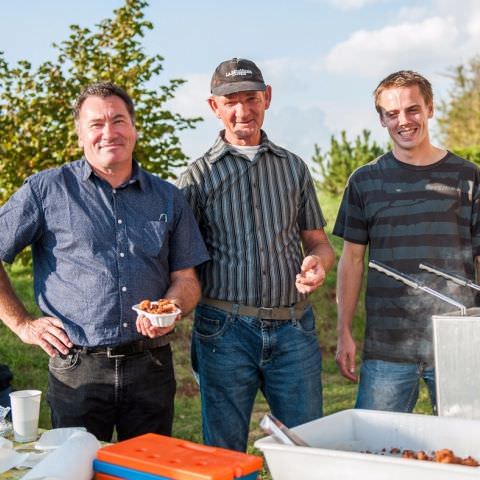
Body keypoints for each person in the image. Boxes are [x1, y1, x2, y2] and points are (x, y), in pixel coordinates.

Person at [0, 82, 209, 441]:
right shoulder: (45, 190)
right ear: (80, 135)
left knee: (148, 472)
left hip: (151, 366)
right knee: (77, 469)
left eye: (118, 120)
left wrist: (172, 306)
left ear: (134, 128)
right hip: (77, 367)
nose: (108, 132)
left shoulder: (169, 198)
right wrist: (22, 325)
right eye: (96, 124)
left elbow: (187, 279)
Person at [177, 58, 335, 452]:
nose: (241, 110)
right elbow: (182, 265)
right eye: (230, 100)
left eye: (250, 98)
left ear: (267, 99)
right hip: (224, 333)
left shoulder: (294, 168)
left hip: (294, 329)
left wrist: (318, 264)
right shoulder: (196, 178)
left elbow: (318, 243)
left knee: (306, 448)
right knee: (225, 453)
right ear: (214, 106)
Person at [334, 70, 480, 413]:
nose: (404, 120)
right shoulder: (364, 181)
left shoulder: (468, 176)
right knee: (376, 450)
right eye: (392, 113)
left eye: (412, 109)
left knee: (469, 451)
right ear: (382, 119)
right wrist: (343, 332)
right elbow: (351, 260)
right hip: (387, 348)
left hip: (458, 345)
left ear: (429, 108)